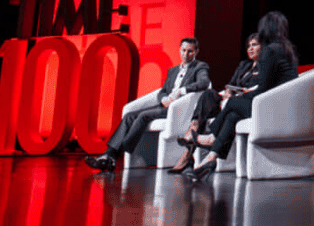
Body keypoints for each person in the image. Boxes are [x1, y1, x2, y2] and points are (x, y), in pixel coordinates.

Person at [187, 12, 298, 181]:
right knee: (232, 115)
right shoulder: (288, 49)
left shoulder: (269, 51)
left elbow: (263, 89)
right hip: (283, 103)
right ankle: (210, 159)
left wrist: (244, 96)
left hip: (270, 106)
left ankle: (211, 137)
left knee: (232, 102)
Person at [84, 37, 211, 172]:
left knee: (143, 116)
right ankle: (110, 155)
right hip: (165, 105)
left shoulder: (200, 67)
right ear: (179, 50)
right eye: (183, 50)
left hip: (180, 108)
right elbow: (163, 91)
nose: (186, 54)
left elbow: (204, 83)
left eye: (190, 51)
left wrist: (181, 91)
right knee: (129, 116)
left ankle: (114, 155)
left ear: (196, 52)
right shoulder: (173, 70)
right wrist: (163, 99)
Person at [167, 34, 261, 173]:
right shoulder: (244, 65)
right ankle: (193, 129)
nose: (250, 49)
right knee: (208, 94)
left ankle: (188, 155)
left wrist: (233, 99)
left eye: (254, 45)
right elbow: (231, 84)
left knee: (229, 113)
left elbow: (258, 90)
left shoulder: (265, 68)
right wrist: (228, 93)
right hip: (230, 101)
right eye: (248, 46)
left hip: (242, 104)